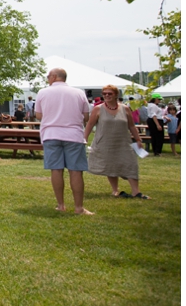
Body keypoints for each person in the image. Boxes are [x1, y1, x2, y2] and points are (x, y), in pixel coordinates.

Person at [34, 68, 92, 215]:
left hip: (51, 134)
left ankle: (61, 205)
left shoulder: (43, 92)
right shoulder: (79, 93)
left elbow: (39, 115)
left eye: (48, 76)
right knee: (76, 171)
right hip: (73, 135)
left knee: (56, 169)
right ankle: (79, 207)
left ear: (54, 77)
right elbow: (86, 116)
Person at [84, 84, 148, 199]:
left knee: (131, 164)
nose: (107, 96)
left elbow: (132, 126)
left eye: (110, 93)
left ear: (116, 95)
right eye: (104, 94)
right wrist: (84, 138)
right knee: (110, 166)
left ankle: (136, 191)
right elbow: (90, 124)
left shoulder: (125, 108)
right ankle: (115, 190)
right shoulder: (98, 109)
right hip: (105, 142)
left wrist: (138, 139)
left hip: (123, 142)